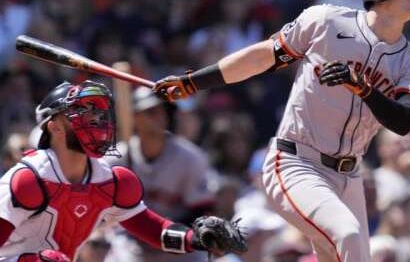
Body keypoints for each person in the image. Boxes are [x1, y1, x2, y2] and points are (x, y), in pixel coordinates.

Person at [153, 0, 410, 262]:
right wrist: (193, 82)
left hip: (349, 175)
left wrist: (363, 88)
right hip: (296, 161)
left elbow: (403, 120)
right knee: (348, 234)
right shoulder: (325, 21)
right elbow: (262, 57)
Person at [0, 80, 246, 262]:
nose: (96, 119)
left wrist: (196, 239)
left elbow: (155, 231)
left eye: (97, 112)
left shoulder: (111, 180)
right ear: (54, 127)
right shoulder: (28, 180)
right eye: (83, 112)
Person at [105, 86, 216, 262]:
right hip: (130, 240)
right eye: (151, 111)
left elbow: (202, 211)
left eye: (163, 111)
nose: (160, 117)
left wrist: (166, 233)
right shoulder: (116, 159)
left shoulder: (190, 158)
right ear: (134, 117)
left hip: (178, 240)